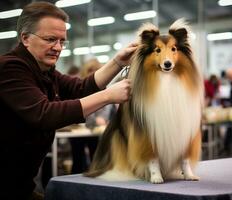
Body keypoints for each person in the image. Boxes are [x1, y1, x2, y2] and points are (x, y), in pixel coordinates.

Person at [0, 2, 137, 199]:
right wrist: (108, 96)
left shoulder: (46, 72)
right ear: (25, 38)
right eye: (50, 39)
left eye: (62, 41)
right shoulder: (10, 68)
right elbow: (44, 114)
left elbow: (80, 89)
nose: (57, 48)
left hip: (20, 185)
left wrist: (117, 62)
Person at [69, 58, 116, 174]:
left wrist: (102, 119)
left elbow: (106, 107)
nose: (92, 72)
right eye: (90, 70)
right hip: (78, 131)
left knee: (95, 157)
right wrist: (95, 119)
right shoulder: (79, 87)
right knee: (78, 159)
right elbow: (80, 108)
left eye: (95, 70)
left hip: (95, 132)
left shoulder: (103, 88)